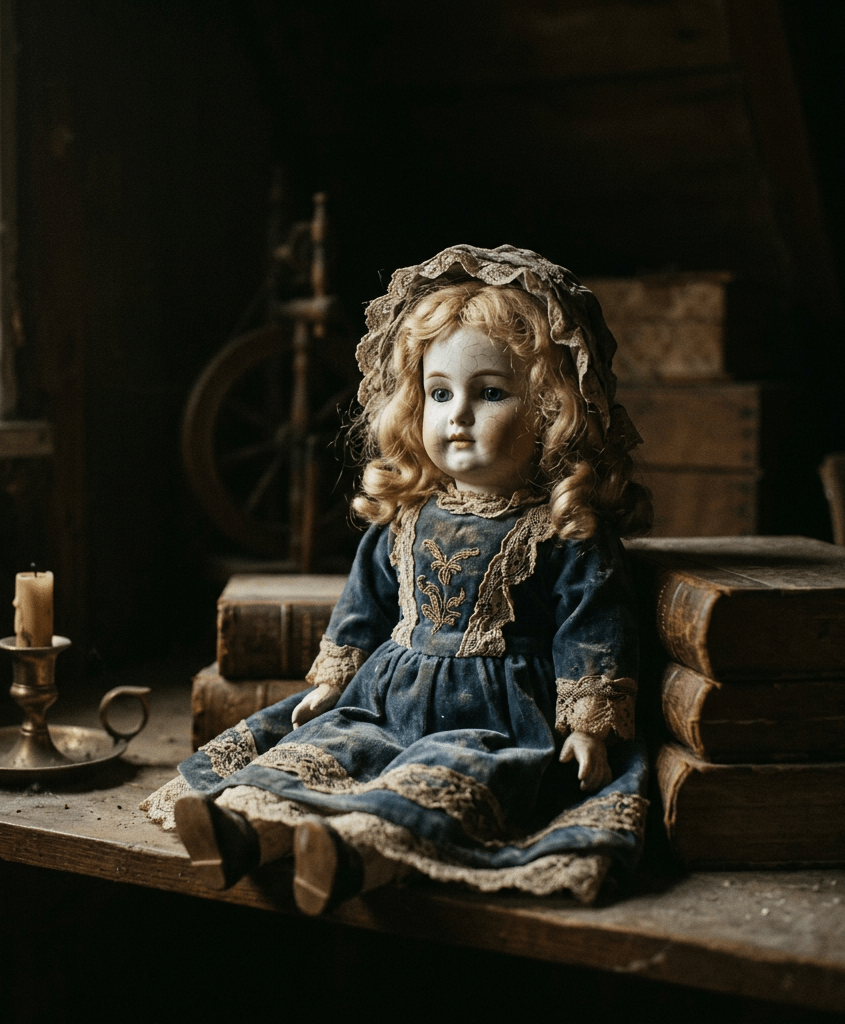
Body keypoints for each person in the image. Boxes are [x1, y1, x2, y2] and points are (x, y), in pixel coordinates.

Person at [142, 243, 653, 912]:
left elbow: (593, 630)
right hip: (386, 699)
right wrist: (331, 679)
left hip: (496, 718)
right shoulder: (406, 522)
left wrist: (587, 723)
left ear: (552, 411)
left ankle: (353, 857)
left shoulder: (563, 533)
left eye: (490, 393)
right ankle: (247, 832)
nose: (458, 416)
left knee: (444, 778)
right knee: (330, 747)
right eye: (440, 393)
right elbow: (365, 605)